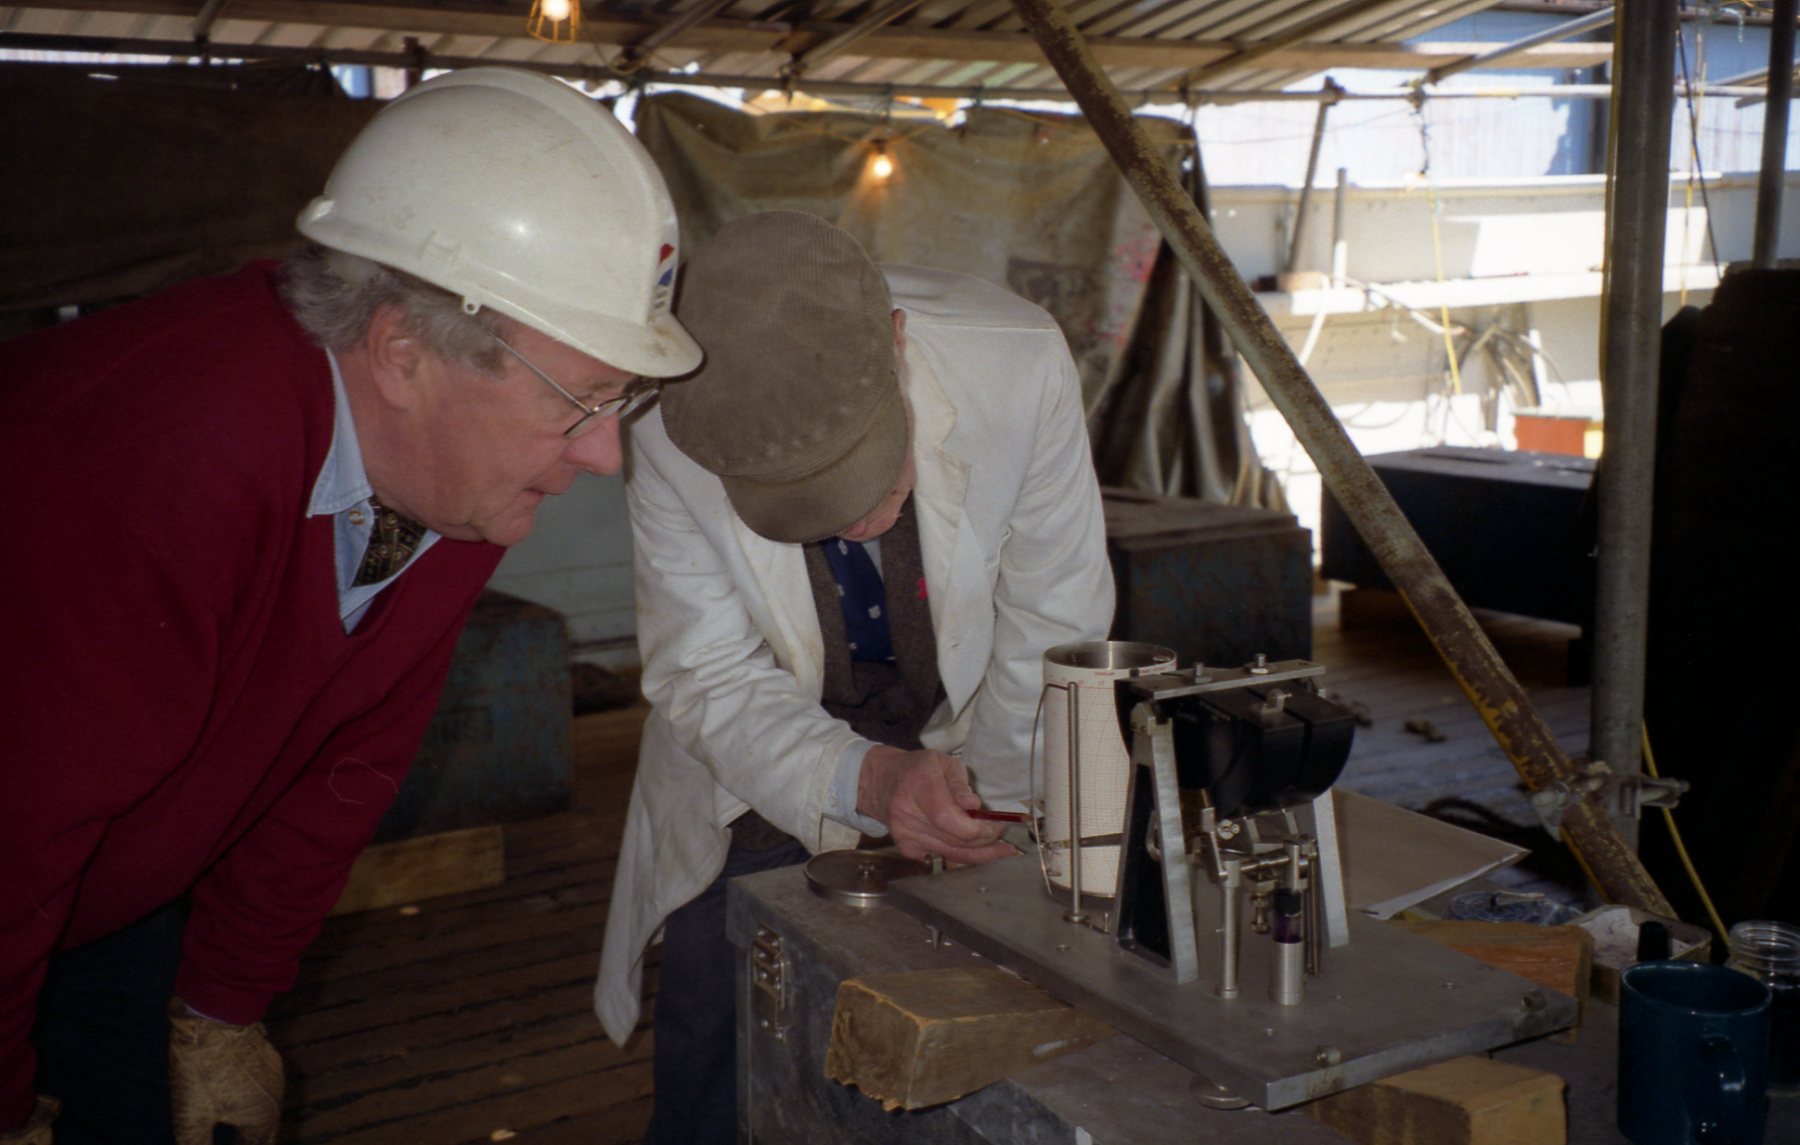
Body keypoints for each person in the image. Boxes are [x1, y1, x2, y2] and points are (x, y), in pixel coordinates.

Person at [0, 67, 699, 1145]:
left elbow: (344, 765)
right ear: (403, 352)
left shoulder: (448, 486)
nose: (606, 454)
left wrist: (224, 1005)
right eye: (580, 401)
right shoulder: (165, 460)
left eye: (624, 400)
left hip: (111, 895)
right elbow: (16, 832)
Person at [594, 210, 1115, 1143]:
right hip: (759, 745)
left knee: (974, 1017)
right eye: (809, 503)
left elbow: (1051, 627)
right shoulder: (662, 422)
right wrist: (864, 780)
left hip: (965, 721)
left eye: (868, 475)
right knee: (724, 1023)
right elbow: (708, 669)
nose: (857, 525)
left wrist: (982, 813)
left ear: (897, 344)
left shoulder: (1017, 366)